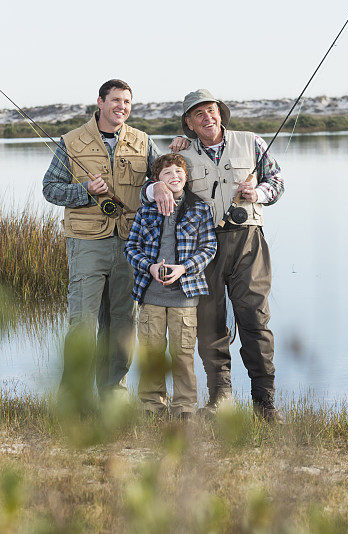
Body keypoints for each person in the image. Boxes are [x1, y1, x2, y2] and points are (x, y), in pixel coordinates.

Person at [143, 89, 285, 422]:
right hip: (200, 248)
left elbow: (277, 180)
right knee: (209, 325)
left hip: (249, 242)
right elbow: (151, 186)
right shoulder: (180, 154)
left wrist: (259, 192)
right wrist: (158, 187)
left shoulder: (252, 142)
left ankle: (264, 404)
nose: (208, 118)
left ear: (220, 113)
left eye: (212, 111)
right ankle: (221, 399)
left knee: (255, 321)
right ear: (189, 124)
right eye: (199, 114)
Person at [43, 79, 163, 399]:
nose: (121, 107)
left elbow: (164, 179)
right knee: (82, 323)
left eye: (126, 102)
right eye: (115, 100)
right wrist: (85, 191)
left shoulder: (143, 141)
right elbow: (50, 189)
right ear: (100, 102)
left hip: (129, 243)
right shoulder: (71, 141)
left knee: (123, 323)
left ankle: (114, 395)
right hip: (86, 243)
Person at [125, 153, 217, 419]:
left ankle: (184, 406)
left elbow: (209, 247)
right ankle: (152, 405)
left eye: (179, 172)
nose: (174, 177)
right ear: (157, 181)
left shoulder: (200, 208)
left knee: (183, 354)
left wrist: (184, 268)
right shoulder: (146, 210)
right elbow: (131, 247)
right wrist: (149, 266)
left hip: (185, 296)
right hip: (151, 295)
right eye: (167, 173)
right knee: (152, 352)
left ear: (186, 177)